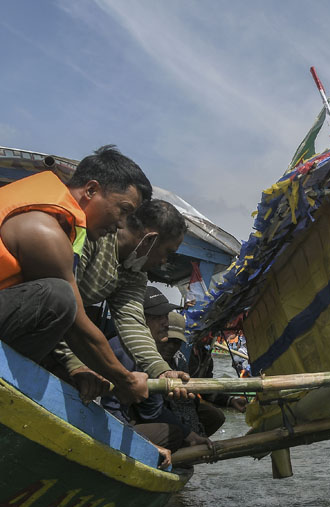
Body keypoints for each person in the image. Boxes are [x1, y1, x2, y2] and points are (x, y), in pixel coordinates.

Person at [0, 145, 151, 406]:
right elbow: (77, 326)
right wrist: (125, 380)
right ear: (91, 190)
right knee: (59, 298)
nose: (120, 224)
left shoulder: (65, 226)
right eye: (123, 210)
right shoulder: (44, 229)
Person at [50, 199, 191, 399]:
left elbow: (131, 321)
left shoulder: (135, 273)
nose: (163, 262)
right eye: (167, 252)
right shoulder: (92, 239)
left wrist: (160, 370)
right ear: (150, 239)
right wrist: (76, 364)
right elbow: (60, 306)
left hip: (61, 335)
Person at [100, 287, 210, 452]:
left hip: (123, 418)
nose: (166, 322)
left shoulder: (150, 358)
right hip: (103, 424)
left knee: (182, 432)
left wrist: (190, 435)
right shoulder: (122, 351)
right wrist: (148, 445)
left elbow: (153, 410)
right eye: (158, 317)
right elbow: (107, 410)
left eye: (165, 315)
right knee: (171, 434)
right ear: (140, 320)